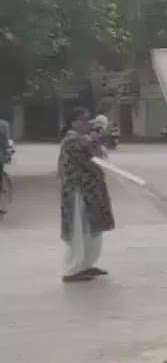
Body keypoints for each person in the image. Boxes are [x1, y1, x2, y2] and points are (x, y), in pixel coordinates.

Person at [59, 108, 113, 282]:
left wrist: (96, 137)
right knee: (80, 228)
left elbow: (100, 154)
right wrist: (96, 135)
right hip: (79, 192)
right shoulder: (71, 140)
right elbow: (91, 153)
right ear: (73, 122)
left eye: (88, 119)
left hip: (91, 191)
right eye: (83, 119)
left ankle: (86, 264)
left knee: (92, 227)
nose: (87, 123)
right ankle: (73, 269)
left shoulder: (82, 139)